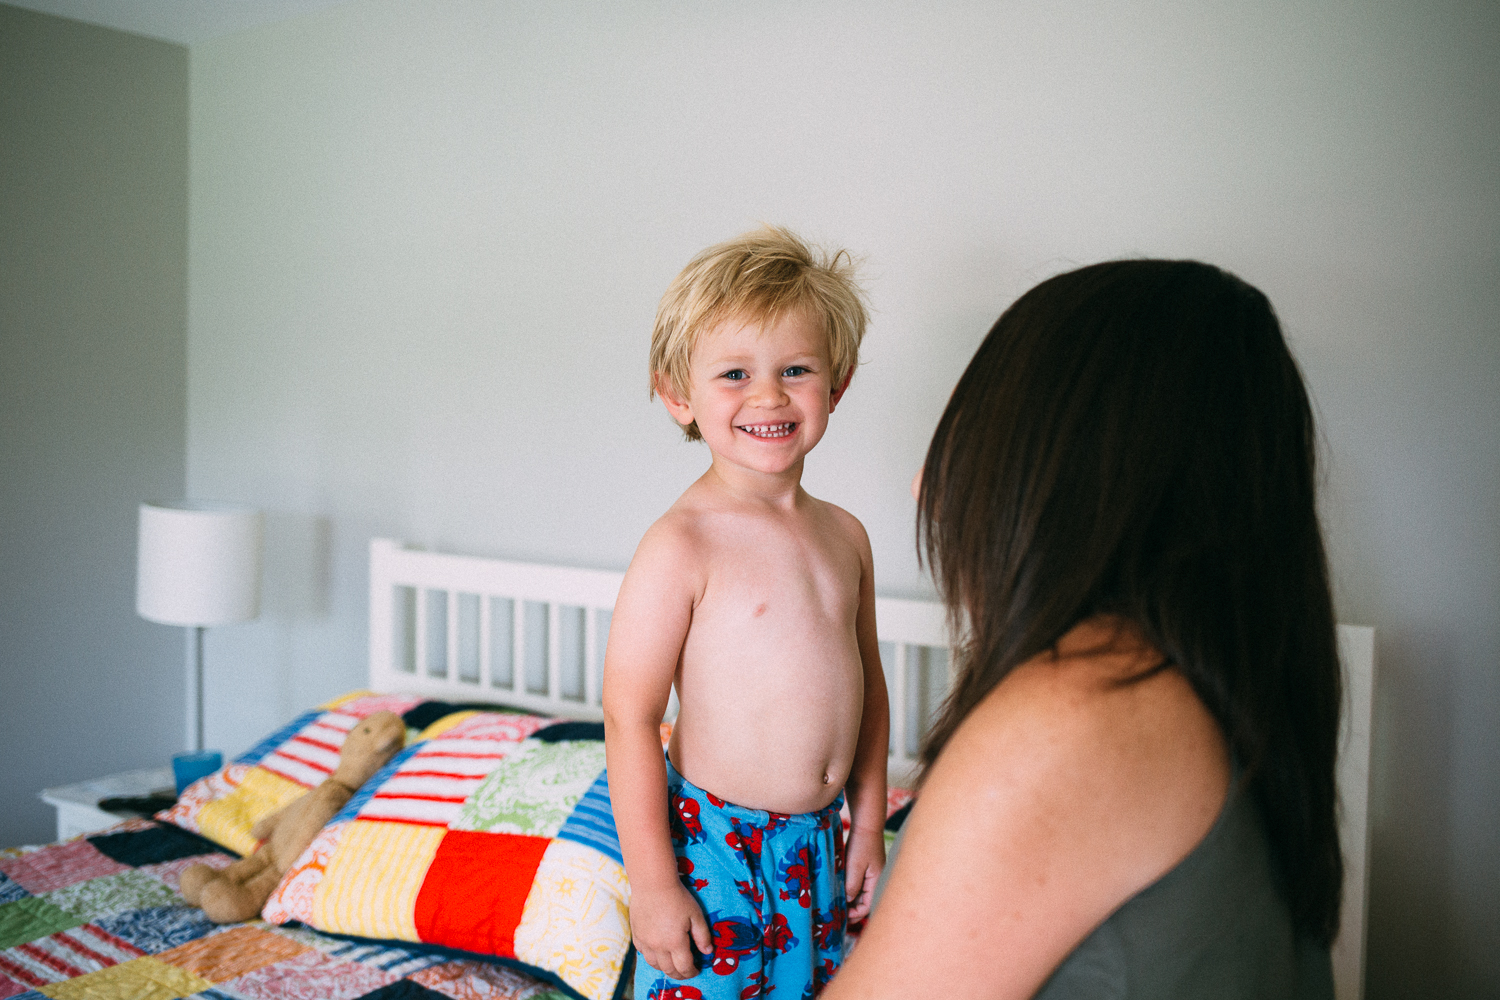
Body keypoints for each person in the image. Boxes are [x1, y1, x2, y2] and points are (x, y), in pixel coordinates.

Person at [824, 259, 1342, 999]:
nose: (925, 487)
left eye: (973, 426)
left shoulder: (1079, 711)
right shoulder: (1217, 685)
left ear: (1054, 458)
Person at [603, 226, 890, 1000]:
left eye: (796, 370)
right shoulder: (681, 544)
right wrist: (655, 886)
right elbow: (630, 717)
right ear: (679, 395)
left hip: (819, 847)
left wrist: (866, 824)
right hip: (716, 851)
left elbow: (869, 689)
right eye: (735, 374)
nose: (768, 396)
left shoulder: (847, 535)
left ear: (838, 385)